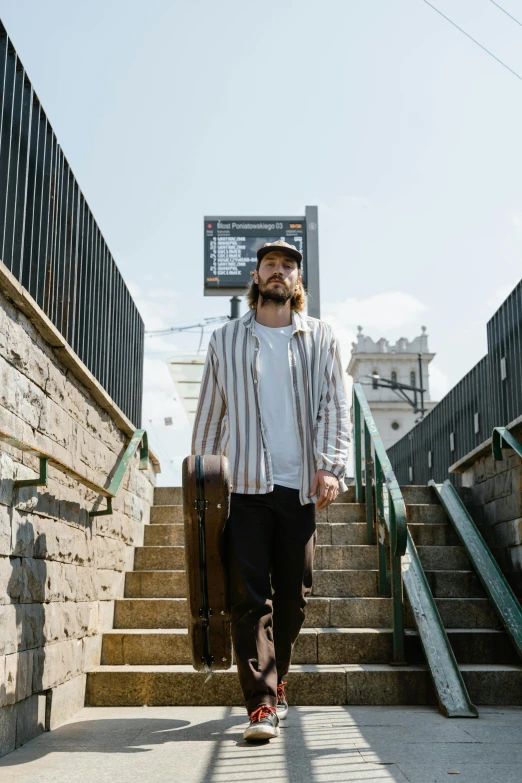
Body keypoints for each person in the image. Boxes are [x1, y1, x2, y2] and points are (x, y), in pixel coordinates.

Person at [192, 239, 350, 741]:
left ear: (297, 281)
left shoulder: (322, 337)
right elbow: (211, 414)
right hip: (245, 486)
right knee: (249, 596)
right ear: (256, 278)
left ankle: (276, 677)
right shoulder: (226, 340)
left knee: (295, 597)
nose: (279, 272)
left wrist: (329, 467)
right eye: (270, 265)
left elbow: (335, 406)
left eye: (288, 266)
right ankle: (260, 703)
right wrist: (202, 478)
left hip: (300, 485)